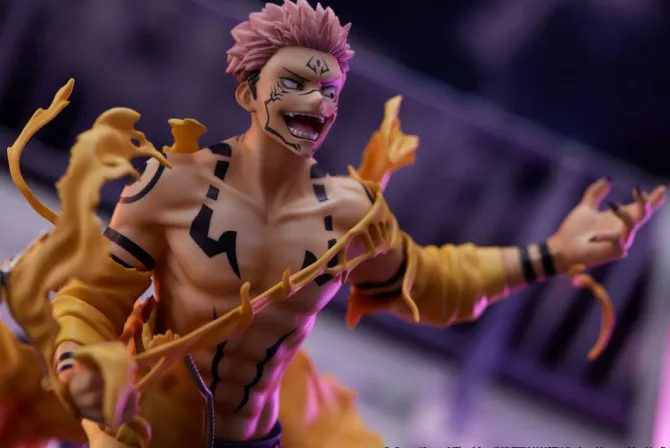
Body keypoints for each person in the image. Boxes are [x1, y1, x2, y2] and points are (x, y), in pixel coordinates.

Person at [2, 1, 665, 447]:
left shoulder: (350, 214)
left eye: (327, 91)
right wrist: (79, 360)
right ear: (251, 90)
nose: (313, 103)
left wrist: (552, 254)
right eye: (294, 83)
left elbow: (436, 281)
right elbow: (92, 297)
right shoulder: (172, 186)